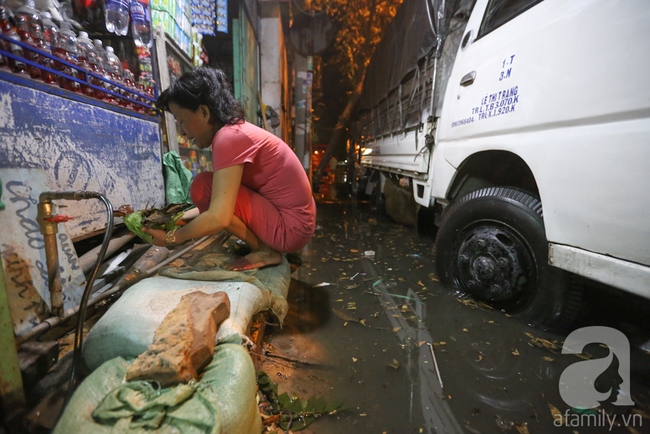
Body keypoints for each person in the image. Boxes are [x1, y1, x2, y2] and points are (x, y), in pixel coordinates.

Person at [143, 66, 316, 271]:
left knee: (202, 186)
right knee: (207, 188)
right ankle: (263, 247)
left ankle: (264, 251)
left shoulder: (229, 138)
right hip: (296, 223)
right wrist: (175, 219)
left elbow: (219, 215)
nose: (182, 132)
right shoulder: (234, 132)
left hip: (289, 229)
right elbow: (223, 203)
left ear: (204, 112)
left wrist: (171, 238)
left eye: (182, 121)